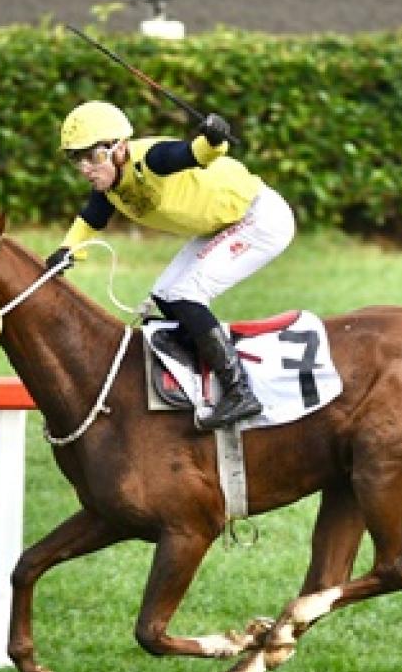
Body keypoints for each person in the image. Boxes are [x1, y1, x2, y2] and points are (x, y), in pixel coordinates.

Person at [46, 100, 296, 431]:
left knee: (186, 292)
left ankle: (240, 391)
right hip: (223, 225)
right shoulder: (111, 185)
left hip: (259, 218)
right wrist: (67, 251)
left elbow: (194, 153)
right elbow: (91, 217)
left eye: (93, 157)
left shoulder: (152, 159)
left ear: (119, 148)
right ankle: (197, 367)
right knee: (164, 294)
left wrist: (214, 136)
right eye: (78, 161)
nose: (86, 169)